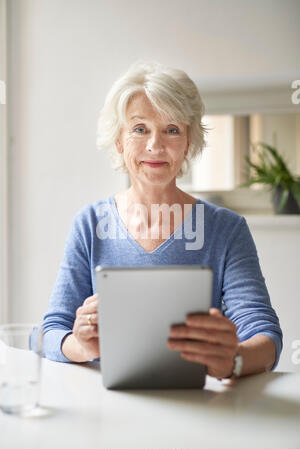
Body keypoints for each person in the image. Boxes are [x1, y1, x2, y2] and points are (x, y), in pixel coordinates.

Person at [41, 61, 282, 379]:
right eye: (140, 129)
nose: (155, 145)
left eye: (172, 130)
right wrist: (82, 345)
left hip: (201, 406)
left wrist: (232, 360)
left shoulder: (226, 230)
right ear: (119, 141)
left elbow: (266, 337)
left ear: (188, 144)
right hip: (108, 406)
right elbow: (50, 333)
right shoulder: (89, 224)